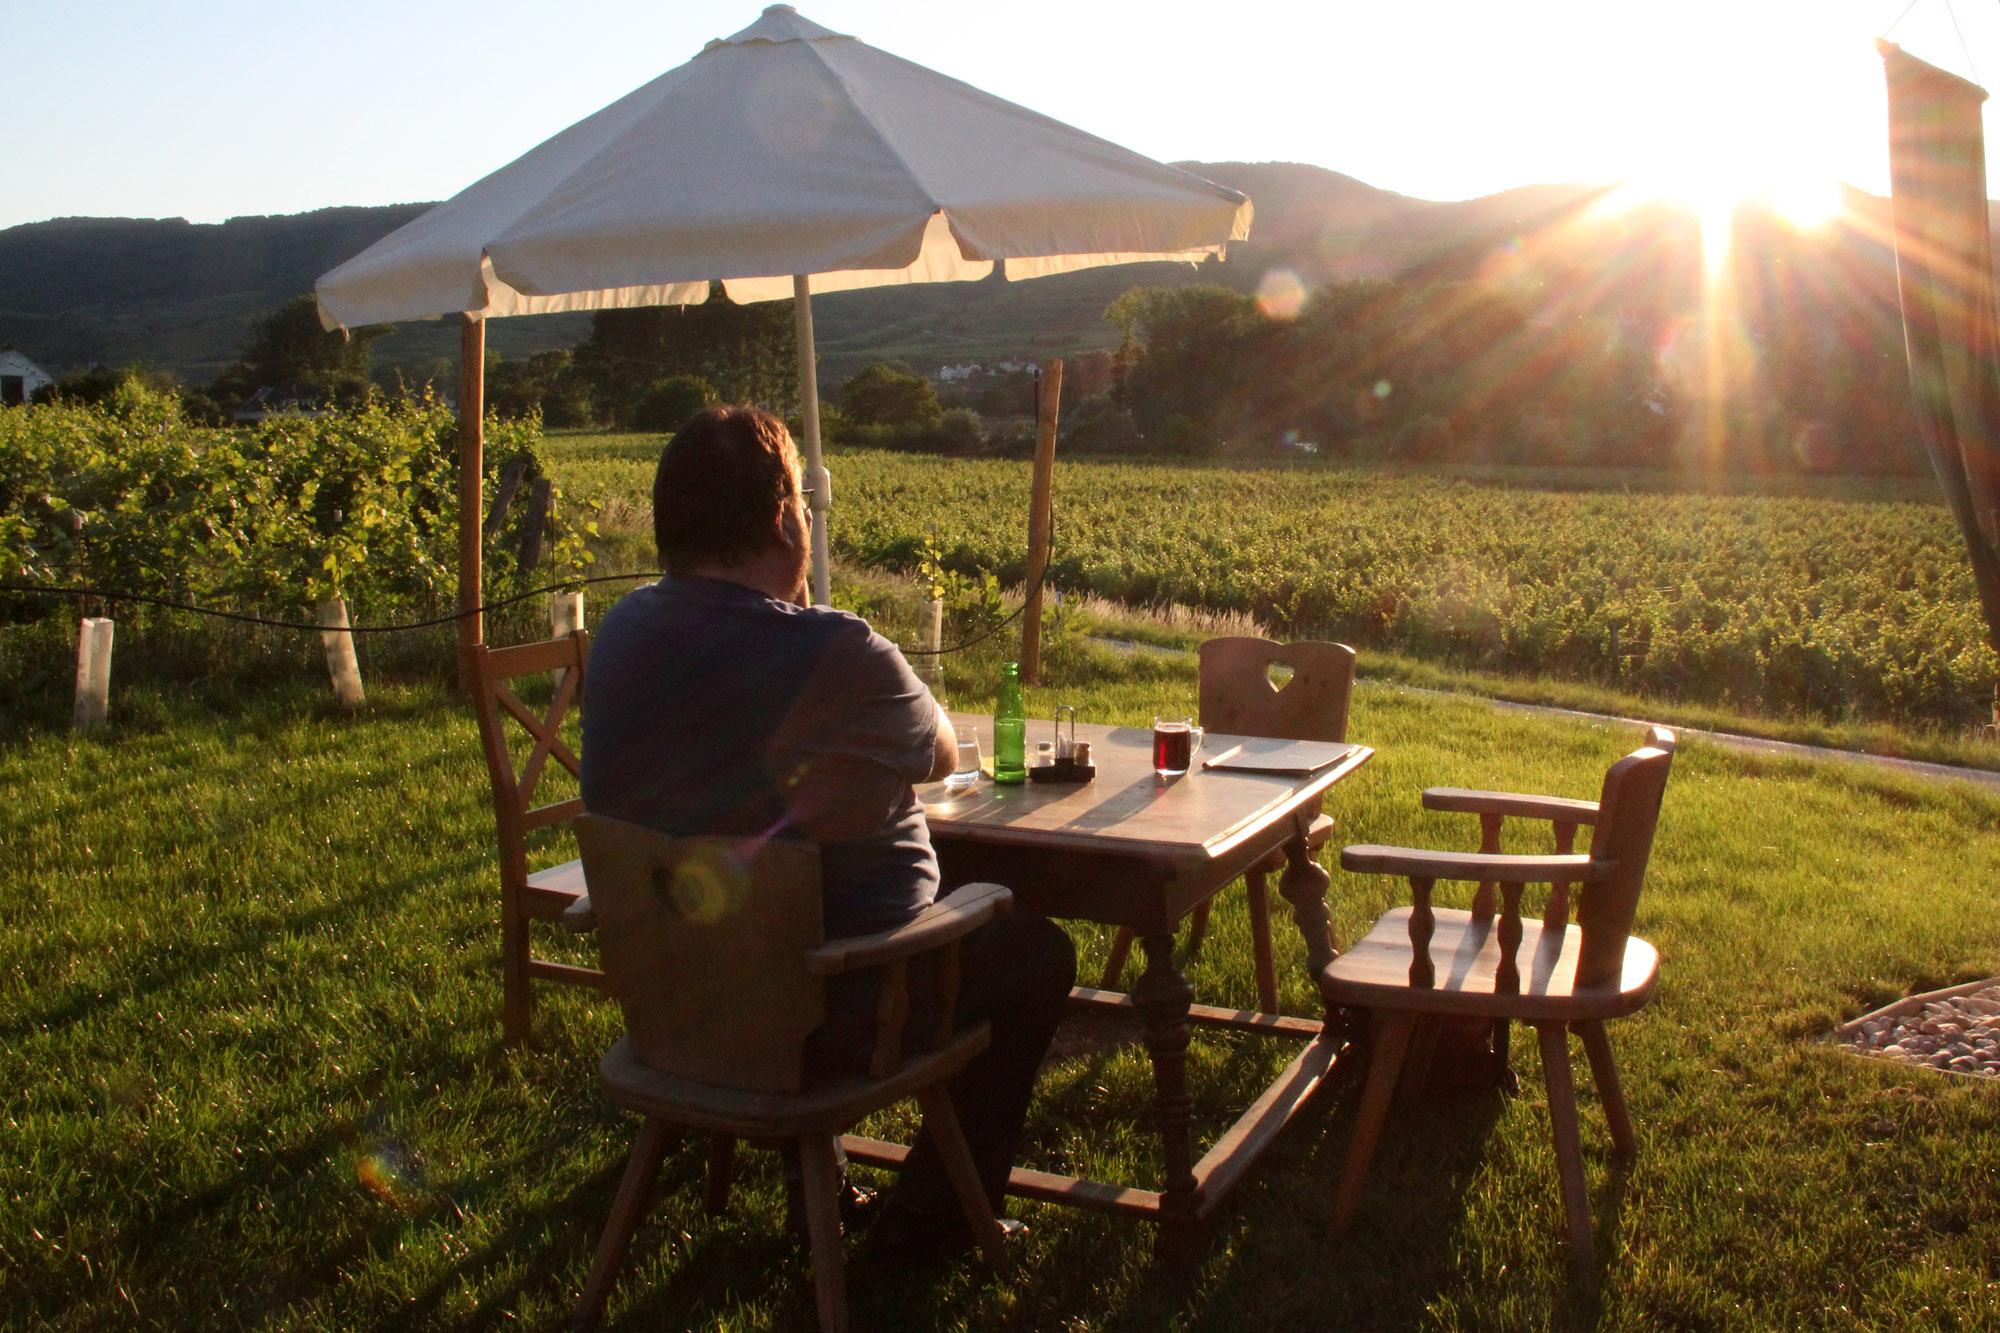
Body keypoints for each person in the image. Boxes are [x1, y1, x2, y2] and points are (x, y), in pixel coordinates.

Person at [581, 405, 1074, 1260]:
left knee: (795, 896)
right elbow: (942, 752)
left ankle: (827, 1192)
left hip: (675, 1000)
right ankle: (928, 1231)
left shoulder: (620, 632)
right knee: (1033, 952)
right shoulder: (838, 652)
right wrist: (812, 621)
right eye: (803, 505)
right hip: (830, 1010)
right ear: (781, 519)